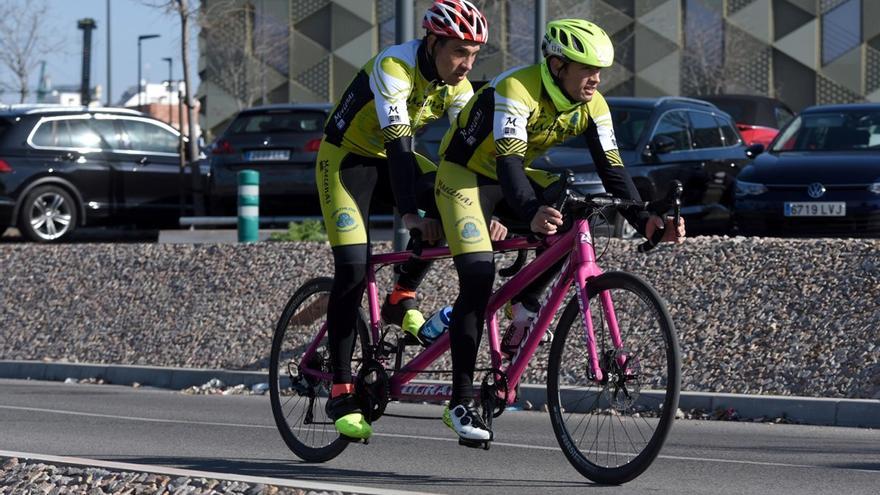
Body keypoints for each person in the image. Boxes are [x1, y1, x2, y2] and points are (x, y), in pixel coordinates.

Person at [433, 18, 686, 446]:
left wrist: (644, 218)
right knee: (477, 279)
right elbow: (508, 163)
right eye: (587, 69)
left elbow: (613, 170)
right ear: (556, 65)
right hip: (464, 177)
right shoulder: (517, 89)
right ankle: (459, 402)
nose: (596, 78)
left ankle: (525, 301)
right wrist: (531, 211)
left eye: (600, 70)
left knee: (571, 216)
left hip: (510, 175)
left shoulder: (594, 105)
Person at [316, 0, 492, 442]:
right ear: (432, 43)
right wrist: (411, 214)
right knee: (354, 268)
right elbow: (397, 147)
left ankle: (401, 296)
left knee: (452, 200)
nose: (465, 65)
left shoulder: (458, 86)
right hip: (346, 161)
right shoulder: (393, 65)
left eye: (473, 56)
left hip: (396, 157)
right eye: (457, 52)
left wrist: (488, 209)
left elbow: (464, 158)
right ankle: (339, 388)